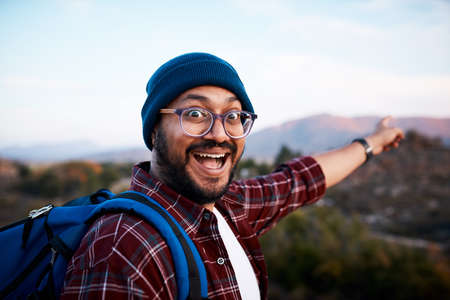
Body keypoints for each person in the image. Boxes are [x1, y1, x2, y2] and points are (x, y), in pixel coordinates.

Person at [60, 53, 404, 300]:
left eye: (234, 115)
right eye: (195, 113)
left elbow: (301, 180)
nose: (220, 134)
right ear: (154, 133)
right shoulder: (124, 246)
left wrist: (372, 142)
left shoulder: (229, 206)